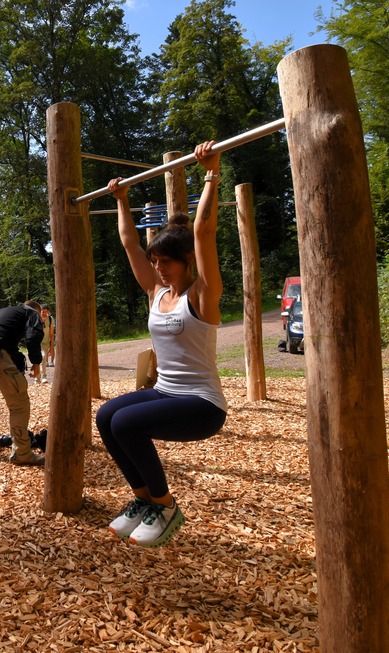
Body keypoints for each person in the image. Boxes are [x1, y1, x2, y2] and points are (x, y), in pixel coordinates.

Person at [96, 141, 228, 549]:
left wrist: (211, 173)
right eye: (156, 263)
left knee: (126, 423)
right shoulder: (157, 291)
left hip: (202, 404)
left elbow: (204, 231)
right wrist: (122, 200)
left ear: (188, 260)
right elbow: (129, 244)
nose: (158, 268)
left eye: (166, 262)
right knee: (105, 417)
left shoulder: (202, 295)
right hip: (166, 391)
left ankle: (167, 507)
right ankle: (143, 500)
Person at [0, 301, 45, 465]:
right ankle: (22, 452)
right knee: (19, 405)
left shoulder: (3, 310)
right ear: (37, 310)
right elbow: (33, 336)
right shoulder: (31, 313)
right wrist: (36, 363)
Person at [37, 305, 55, 383]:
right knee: (38, 358)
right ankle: (37, 378)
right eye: (42, 312)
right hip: (37, 342)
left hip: (45, 343)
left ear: (48, 312)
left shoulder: (51, 320)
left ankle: (43, 376)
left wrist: (51, 347)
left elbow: (51, 334)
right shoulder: (36, 319)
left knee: (43, 357)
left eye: (45, 312)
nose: (44, 313)